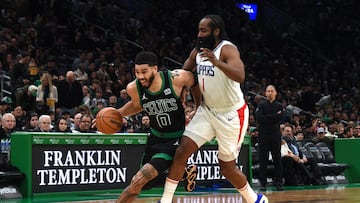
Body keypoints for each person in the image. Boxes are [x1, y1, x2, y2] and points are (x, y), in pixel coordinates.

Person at [160, 15, 268, 203]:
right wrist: (183, 87)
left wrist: (217, 63)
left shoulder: (227, 49)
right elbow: (185, 71)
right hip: (207, 111)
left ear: (216, 31)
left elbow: (240, 76)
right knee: (181, 151)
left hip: (231, 114)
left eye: (204, 30)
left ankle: (255, 199)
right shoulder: (197, 52)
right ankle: (166, 200)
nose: (199, 34)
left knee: (227, 167)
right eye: (199, 30)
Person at [101, 51, 196, 203]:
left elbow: (196, 79)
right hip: (154, 138)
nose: (140, 76)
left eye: (144, 72)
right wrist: (116, 114)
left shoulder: (176, 79)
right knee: (146, 184)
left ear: (155, 69)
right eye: (137, 72)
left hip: (175, 140)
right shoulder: (134, 87)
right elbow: (136, 105)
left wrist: (195, 103)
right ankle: (183, 174)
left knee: (138, 180)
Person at [255, 85, 284, 191]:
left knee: (277, 159)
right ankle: (263, 183)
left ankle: (279, 182)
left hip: (275, 135)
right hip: (263, 135)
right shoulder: (261, 105)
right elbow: (259, 118)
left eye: (272, 91)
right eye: (268, 91)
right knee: (263, 160)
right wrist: (274, 116)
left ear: (276, 93)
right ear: (265, 93)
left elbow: (279, 118)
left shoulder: (279, 105)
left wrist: (268, 118)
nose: (270, 93)